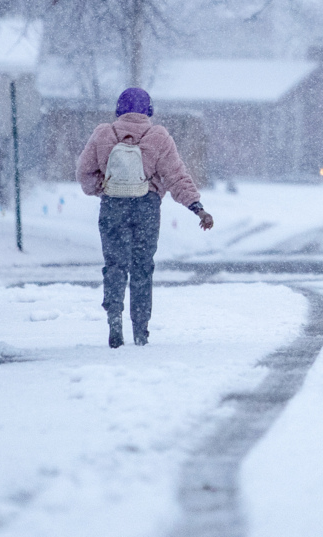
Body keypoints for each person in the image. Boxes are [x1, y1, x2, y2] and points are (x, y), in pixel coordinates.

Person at [76, 88, 213, 348]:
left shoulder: (103, 134)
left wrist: (101, 188)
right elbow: (176, 177)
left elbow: (84, 173)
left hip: (113, 205)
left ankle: (114, 319)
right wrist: (197, 208)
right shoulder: (158, 137)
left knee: (114, 265)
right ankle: (140, 330)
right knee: (142, 267)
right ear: (148, 110)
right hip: (146, 207)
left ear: (119, 108)